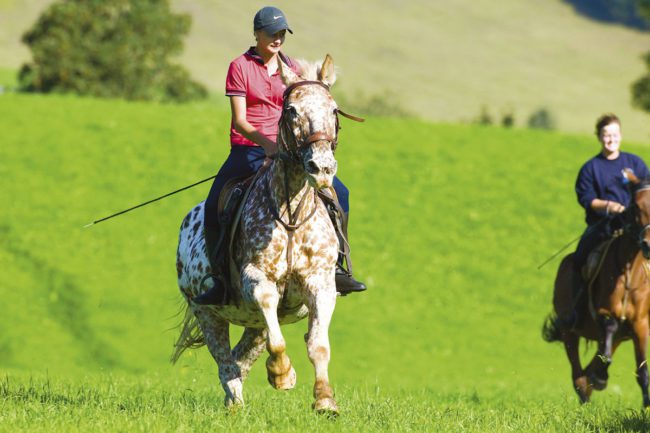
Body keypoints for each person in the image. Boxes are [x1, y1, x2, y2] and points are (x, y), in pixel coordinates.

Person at [194, 6, 366, 305]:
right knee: (214, 202)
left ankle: (338, 268)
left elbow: (311, 98)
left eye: (282, 33)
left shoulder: (293, 67)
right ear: (257, 34)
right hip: (248, 147)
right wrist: (267, 145)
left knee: (340, 193)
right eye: (272, 33)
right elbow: (240, 121)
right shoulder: (240, 67)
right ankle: (220, 280)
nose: (277, 39)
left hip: (290, 150)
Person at [564, 113, 649, 326]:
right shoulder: (591, 168)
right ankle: (577, 308)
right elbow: (586, 198)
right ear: (599, 137)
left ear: (620, 135)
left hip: (633, 227)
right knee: (580, 257)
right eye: (606, 135)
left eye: (614, 134)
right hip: (602, 226)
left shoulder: (634, 163)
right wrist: (609, 206)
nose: (611, 139)